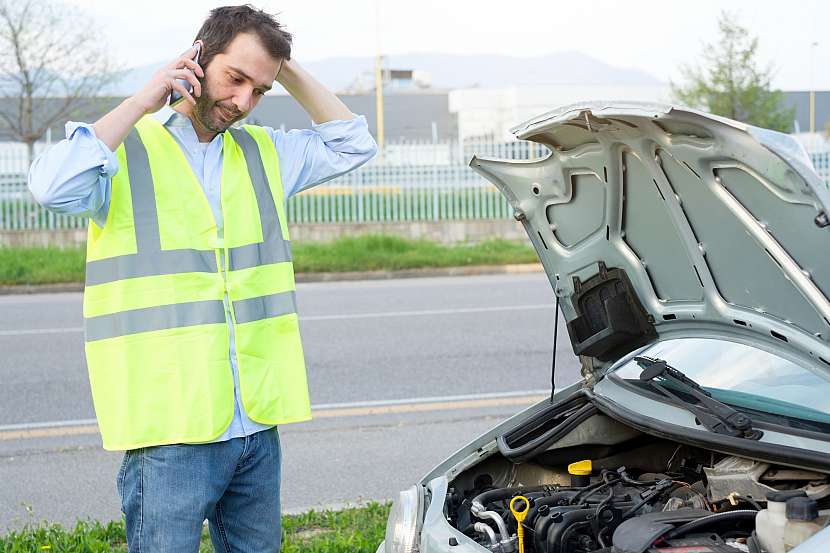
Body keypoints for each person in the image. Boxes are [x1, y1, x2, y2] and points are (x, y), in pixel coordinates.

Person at [27, 5, 377, 552]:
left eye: (259, 90)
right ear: (195, 57)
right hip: (171, 431)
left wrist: (284, 68)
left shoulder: (263, 152)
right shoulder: (124, 150)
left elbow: (355, 144)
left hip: (255, 426)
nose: (242, 102)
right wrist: (144, 100)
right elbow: (51, 187)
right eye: (235, 78)